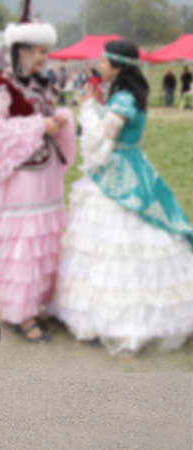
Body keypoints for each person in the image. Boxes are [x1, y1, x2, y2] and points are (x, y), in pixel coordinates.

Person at [49, 40, 193, 356]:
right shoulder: (124, 96)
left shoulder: (125, 99)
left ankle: (125, 323)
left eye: (103, 60)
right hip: (127, 169)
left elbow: (102, 139)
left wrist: (87, 107)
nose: (99, 64)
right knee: (108, 246)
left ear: (117, 65)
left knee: (120, 245)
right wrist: (96, 104)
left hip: (121, 176)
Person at [0, 0, 77, 343]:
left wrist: (61, 123)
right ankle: (24, 313)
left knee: (43, 246)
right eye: (39, 52)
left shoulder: (44, 87)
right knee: (23, 249)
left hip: (45, 181)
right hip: (22, 183)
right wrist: (39, 126)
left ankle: (32, 306)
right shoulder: (3, 87)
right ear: (22, 51)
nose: (44, 58)